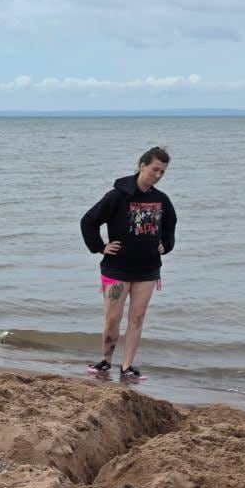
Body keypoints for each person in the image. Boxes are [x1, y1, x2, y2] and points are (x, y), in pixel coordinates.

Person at [80, 146, 176, 381]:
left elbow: (170, 226)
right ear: (142, 165)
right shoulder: (117, 195)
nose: (158, 175)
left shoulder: (161, 200)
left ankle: (127, 367)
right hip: (117, 268)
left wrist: (166, 244)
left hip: (148, 269)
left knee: (137, 318)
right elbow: (88, 221)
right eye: (155, 169)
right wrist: (100, 247)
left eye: (162, 172)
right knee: (113, 318)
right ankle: (105, 362)